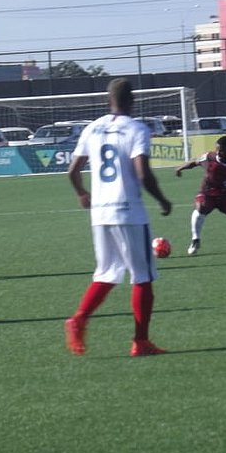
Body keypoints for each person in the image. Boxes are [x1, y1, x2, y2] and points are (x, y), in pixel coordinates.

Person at [65, 78, 173, 357]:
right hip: (128, 212)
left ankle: (78, 320)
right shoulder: (137, 129)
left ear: (107, 101)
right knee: (142, 277)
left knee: (107, 273)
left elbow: (73, 170)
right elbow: (142, 173)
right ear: (133, 101)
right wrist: (161, 199)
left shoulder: (92, 128)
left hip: (100, 213)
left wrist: (81, 194)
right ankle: (141, 341)